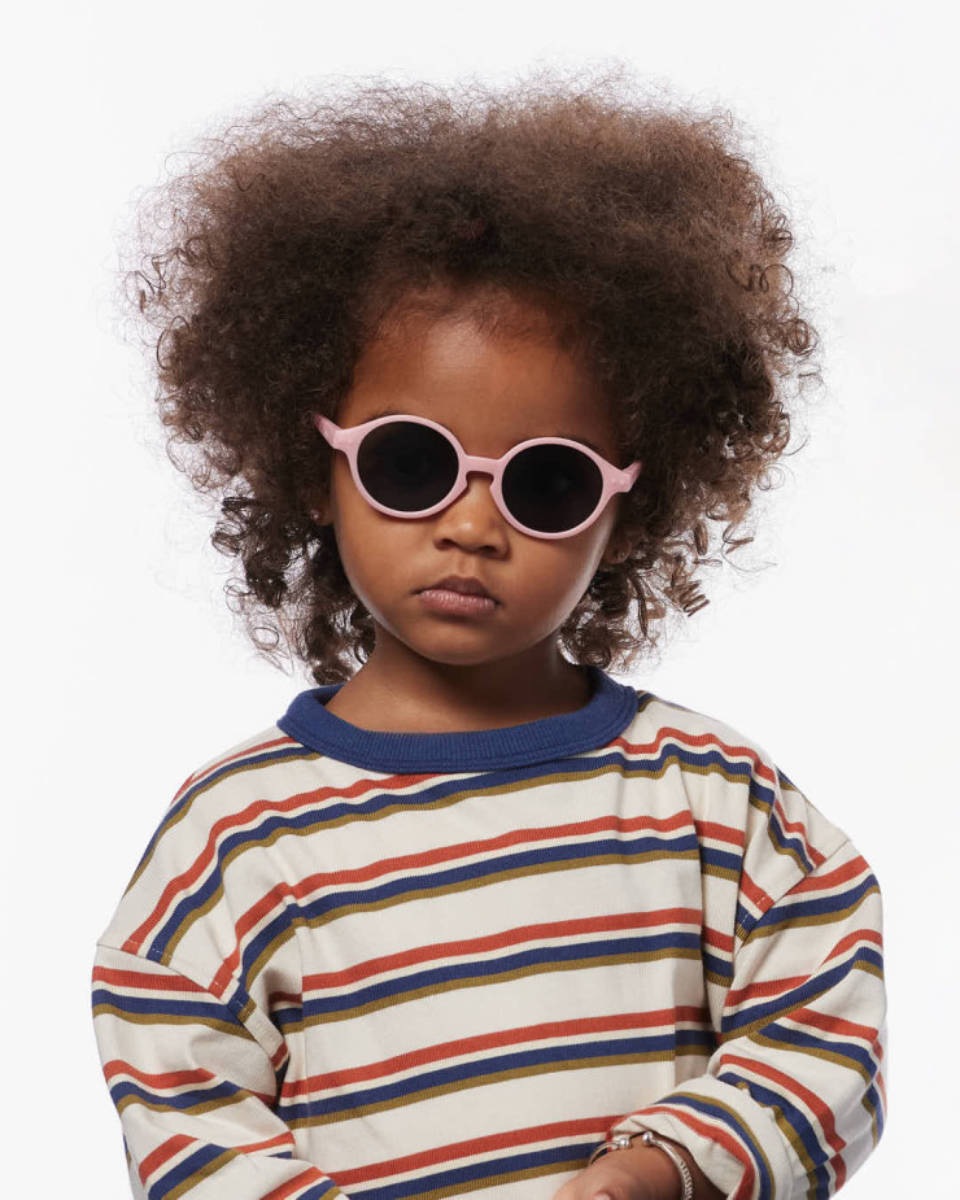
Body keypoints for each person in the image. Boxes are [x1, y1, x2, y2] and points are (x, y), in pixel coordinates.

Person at [91, 65, 886, 1200]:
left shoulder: (713, 798)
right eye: (410, 464)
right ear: (316, 469)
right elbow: (188, 1118)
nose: (471, 526)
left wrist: (665, 1168)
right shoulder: (235, 839)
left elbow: (826, 1024)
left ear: (629, 510)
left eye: (547, 483)